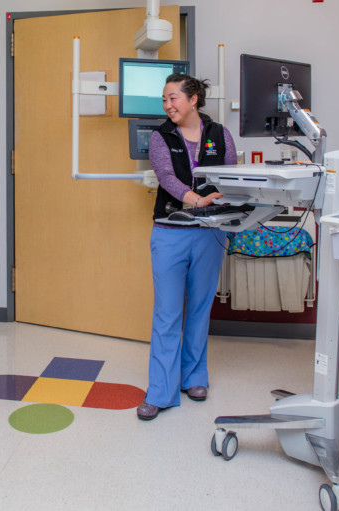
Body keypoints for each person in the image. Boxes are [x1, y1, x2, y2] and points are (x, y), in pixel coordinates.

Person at [137, 74, 238, 420]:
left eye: (173, 98)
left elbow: (232, 175)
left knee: (199, 309)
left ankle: (194, 377)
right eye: (164, 100)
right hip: (171, 232)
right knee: (167, 314)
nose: (168, 105)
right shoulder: (161, 137)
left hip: (210, 233)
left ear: (193, 99)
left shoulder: (220, 134)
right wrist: (198, 199)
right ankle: (160, 392)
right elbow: (167, 178)